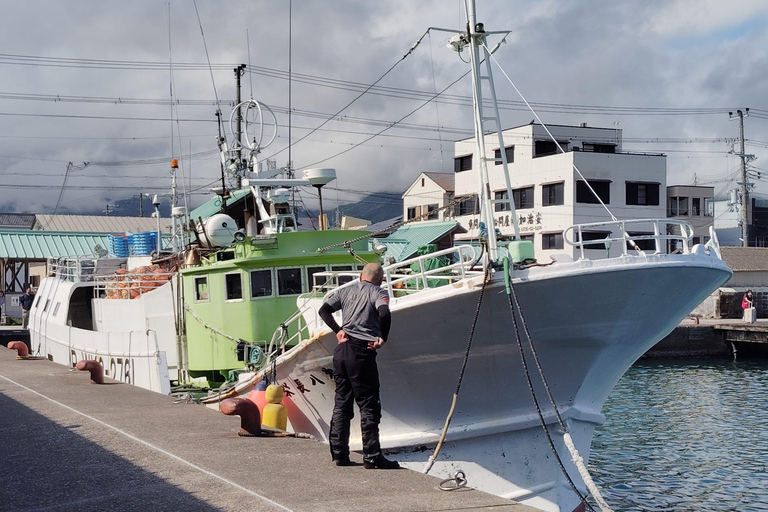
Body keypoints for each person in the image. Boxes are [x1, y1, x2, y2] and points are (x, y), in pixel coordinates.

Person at [318, 262, 399, 469]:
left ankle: (339, 454)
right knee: (369, 405)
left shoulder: (345, 291)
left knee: (342, 403)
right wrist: (382, 337)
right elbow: (384, 313)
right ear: (380, 279)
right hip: (362, 353)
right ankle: (372, 455)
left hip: (341, 353)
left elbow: (324, 310)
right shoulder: (378, 292)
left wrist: (338, 329)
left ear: (361, 276)